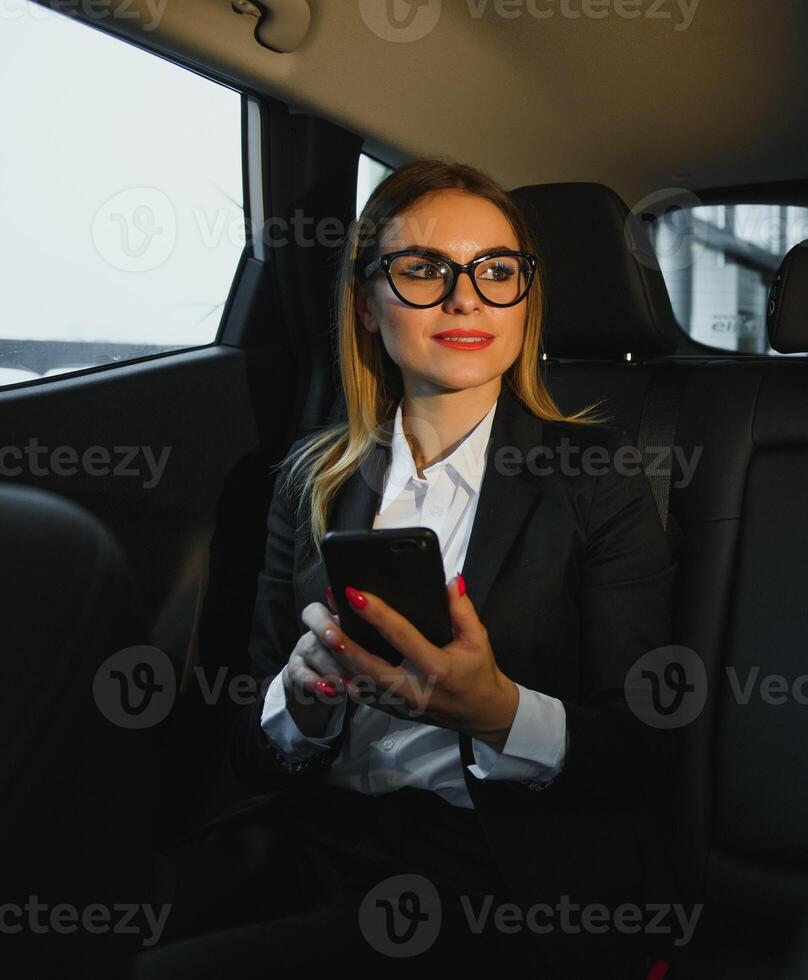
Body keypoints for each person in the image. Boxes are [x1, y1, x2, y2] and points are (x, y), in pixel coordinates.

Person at [135, 159, 678, 978]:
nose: (466, 298)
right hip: (310, 839)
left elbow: (641, 747)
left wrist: (498, 711)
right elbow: (249, 742)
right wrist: (302, 699)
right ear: (365, 300)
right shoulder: (310, 479)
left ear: (526, 297)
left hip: (493, 870)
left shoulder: (598, 476)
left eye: (497, 271)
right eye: (424, 269)